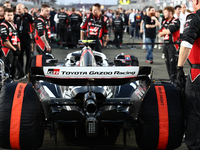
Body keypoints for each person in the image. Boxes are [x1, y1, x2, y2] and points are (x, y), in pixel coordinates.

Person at [177, 0, 200, 149]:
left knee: (194, 112)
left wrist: (179, 68)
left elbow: (186, 43)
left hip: (198, 73)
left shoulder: (195, 17)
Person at [159, 6, 180, 83]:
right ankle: (171, 80)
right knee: (167, 63)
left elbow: (169, 31)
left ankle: (176, 81)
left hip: (173, 45)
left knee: (173, 64)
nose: (163, 14)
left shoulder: (176, 20)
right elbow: (160, 34)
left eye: (165, 12)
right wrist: (165, 31)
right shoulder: (164, 22)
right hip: (165, 45)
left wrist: (166, 31)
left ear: (170, 12)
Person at [14, 3, 34, 78]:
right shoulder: (16, 17)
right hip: (19, 39)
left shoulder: (28, 16)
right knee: (20, 56)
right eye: (17, 9)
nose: (18, 10)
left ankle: (28, 72)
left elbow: (33, 24)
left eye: (19, 9)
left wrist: (31, 32)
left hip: (27, 38)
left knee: (29, 56)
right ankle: (21, 73)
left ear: (23, 9)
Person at [0, 8, 20, 80]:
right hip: (7, 50)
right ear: (4, 15)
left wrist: (18, 48)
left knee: (13, 69)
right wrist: (14, 49)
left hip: (14, 49)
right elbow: (5, 40)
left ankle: (11, 82)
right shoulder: (3, 25)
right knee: (6, 69)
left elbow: (17, 37)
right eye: (8, 15)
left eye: (11, 15)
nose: (10, 16)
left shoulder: (13, 25)